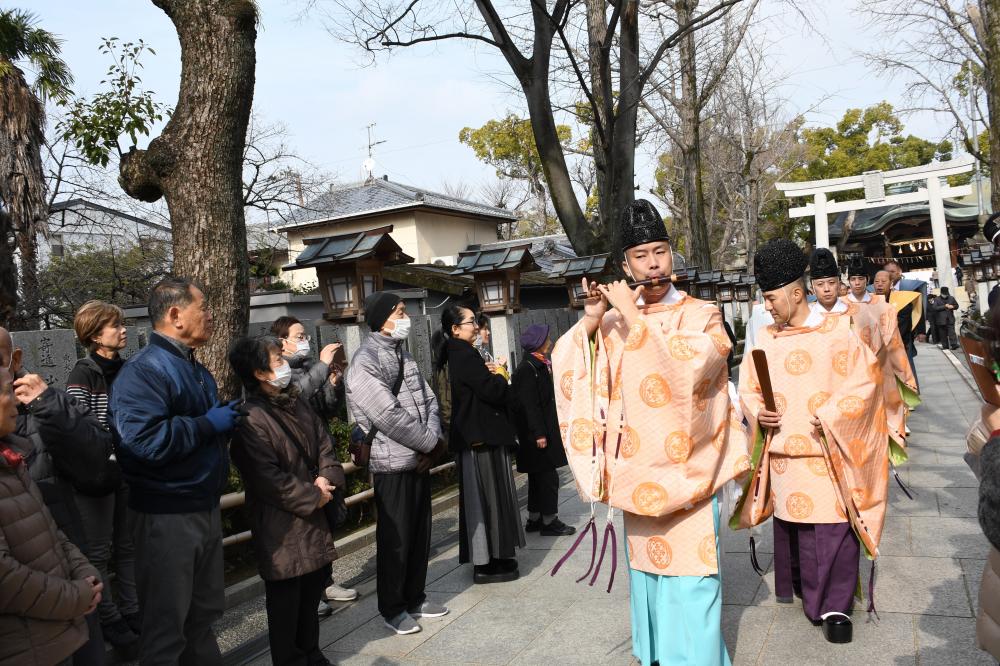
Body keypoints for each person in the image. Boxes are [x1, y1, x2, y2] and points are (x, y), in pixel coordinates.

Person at [552, 200, 747, 666]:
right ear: (625, 265)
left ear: (672, 256)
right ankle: (656, 655)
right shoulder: (614, 320)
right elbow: (572, 368)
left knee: (694, 580)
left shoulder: (703, 312)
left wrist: (634, 319)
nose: (653, 263)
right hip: (638, 471)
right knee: (651, 575)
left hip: (692, 471)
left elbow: (699, 366)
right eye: (641, 255)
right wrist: (595, 319)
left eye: (660, 251)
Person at [735, 239, 890, 645]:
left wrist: (834, 414)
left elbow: (866, 383)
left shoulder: (840, 331)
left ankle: (837, 605)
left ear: (795, 291)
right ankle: (805, 590)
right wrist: (756, 411)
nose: (768, 306)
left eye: (771, 298)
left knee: (833, 528)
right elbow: (749, 388)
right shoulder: (765, 338)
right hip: (785, 451)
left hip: (828, 448)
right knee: (797, 527)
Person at [112, 277, 244, 665]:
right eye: (202, 307)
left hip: (199, 505)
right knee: (167, 628)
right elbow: (143, 441)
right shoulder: (144, 371)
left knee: (202, 616)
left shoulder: (193, 367)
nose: (210, 315)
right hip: (165, 513)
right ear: (175, 314)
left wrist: (224, 423)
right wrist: (208, 425)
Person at [229, 336, 346, 666]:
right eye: (277, 360)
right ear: (259, 373)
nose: (284, 365)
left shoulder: (297, 402)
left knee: (311, 598)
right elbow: (267, 480)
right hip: (281, 528)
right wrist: (315, 495)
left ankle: (311, 651)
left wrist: (327, 477)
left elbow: (325, 447)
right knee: (286, 606)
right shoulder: (249, 419)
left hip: (314, 516)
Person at [1, 328, 114, 664]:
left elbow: (95, 454)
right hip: (24, 621)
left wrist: (47, 402)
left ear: (15, 359)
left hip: (70, 576)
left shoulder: (39, 403)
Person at [346, 291, 447, 636]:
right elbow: (386, 414)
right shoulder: (365, 360)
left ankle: (415, 597)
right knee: (396, 540)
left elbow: (429, 399)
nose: (406, 318)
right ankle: (393, 608)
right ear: (383, 318)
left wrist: (431, 443)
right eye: (401, 312)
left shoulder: (403, 355)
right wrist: (430, 443)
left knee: (420, 535)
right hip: (392, 463)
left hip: (418, 459)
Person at [66, 300, 143, 653]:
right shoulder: (82, 374)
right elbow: (80, 428)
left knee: (127, 546)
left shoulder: (128, 370)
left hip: (128, 471)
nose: (123, 329)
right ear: (96, 334)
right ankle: (109, 618)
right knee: (98, 550)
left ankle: (132, 610)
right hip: (96, 476)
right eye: (115, 325)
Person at [268, 316, 357, 613]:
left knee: (324, 524)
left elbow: (326, 410)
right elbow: (297, 396)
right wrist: (321, 366)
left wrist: (333, 383)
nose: (304, 339)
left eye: (305, 334)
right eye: (299, 335)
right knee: (304, 528)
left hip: (318, 455)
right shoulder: (281, 375)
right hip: (296, 462)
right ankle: (312, 592)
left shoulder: (308, 369)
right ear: (282, 342)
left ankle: (325, 581)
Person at [441, 304, 525, 585]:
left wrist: (492, 374)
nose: (475, 326)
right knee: (486, 500)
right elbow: (491, 391)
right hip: (479, 437)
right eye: (470, 322)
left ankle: (494, 557)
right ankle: (486, 562)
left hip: (481, 435)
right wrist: (500, 374)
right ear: (455, 329)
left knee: (490, 499)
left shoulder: (464, 353)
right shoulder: (463, 354)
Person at [511, 324, 574, 537]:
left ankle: (535, 518)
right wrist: (539, 433)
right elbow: (530, 405)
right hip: (536, 435)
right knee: (548, 477)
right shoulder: (528, 370)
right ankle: (549, 521)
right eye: (546, 338)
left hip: (538, 432)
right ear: (539, 342)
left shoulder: (538, 365)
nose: (550, 340)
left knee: (538, 477)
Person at [874, 269, 920, 389]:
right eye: (876, 281)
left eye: (883, 281)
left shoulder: (902, 301)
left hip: (899, 344)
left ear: (891, 284)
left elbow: (903, 327)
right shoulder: (870, 301)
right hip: (877, 347)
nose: (879, 284)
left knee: (902, 375)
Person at [808, 249, 847, 316]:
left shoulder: (852, 312)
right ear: (812, 289)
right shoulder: (806, 315)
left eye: (831, 282)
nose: (826, 289)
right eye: (820, 284)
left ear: (839, 285)